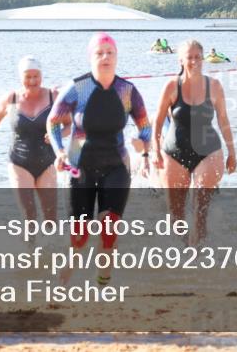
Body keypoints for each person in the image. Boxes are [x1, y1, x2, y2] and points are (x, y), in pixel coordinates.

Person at [48, 33, 152, 285]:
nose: (105, 57)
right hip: (79, 168)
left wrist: (143, 146)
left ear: (116, 57)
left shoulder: (127, 91)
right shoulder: (77, 88)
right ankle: (62, 281)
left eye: (110, 52)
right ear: (90, 57)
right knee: (79, 237)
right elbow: (52, 122)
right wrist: (59, 151)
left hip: (116, 167)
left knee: (109, 228)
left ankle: (103, 284)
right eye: (99, 52)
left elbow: (145, 126)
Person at [152, 39, 237, 245]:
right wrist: (155, 150)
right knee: (176, 214)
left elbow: (223, 120)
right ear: (181, 61)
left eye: (198, 57)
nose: (194, 61)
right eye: (189, 57)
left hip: (208, 152)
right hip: (174, 152)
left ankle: (197, 254)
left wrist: (232, 152)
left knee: (200, 210)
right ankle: (181, 254)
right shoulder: (172, 86)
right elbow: (158, 120)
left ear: (203, 58)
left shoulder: (214, 86)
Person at [0, 55, 58, 228]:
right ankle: (29, 246)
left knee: (50, 217)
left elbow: (68, 123)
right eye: (27, 77)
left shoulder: (53, 96)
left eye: (36, 76)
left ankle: (52, 245)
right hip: (19, 162)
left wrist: (59, 133)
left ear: (41, 75)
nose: (32, 81)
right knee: (29, 214)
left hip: (47, 161)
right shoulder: (11, 98)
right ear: (20, 77)